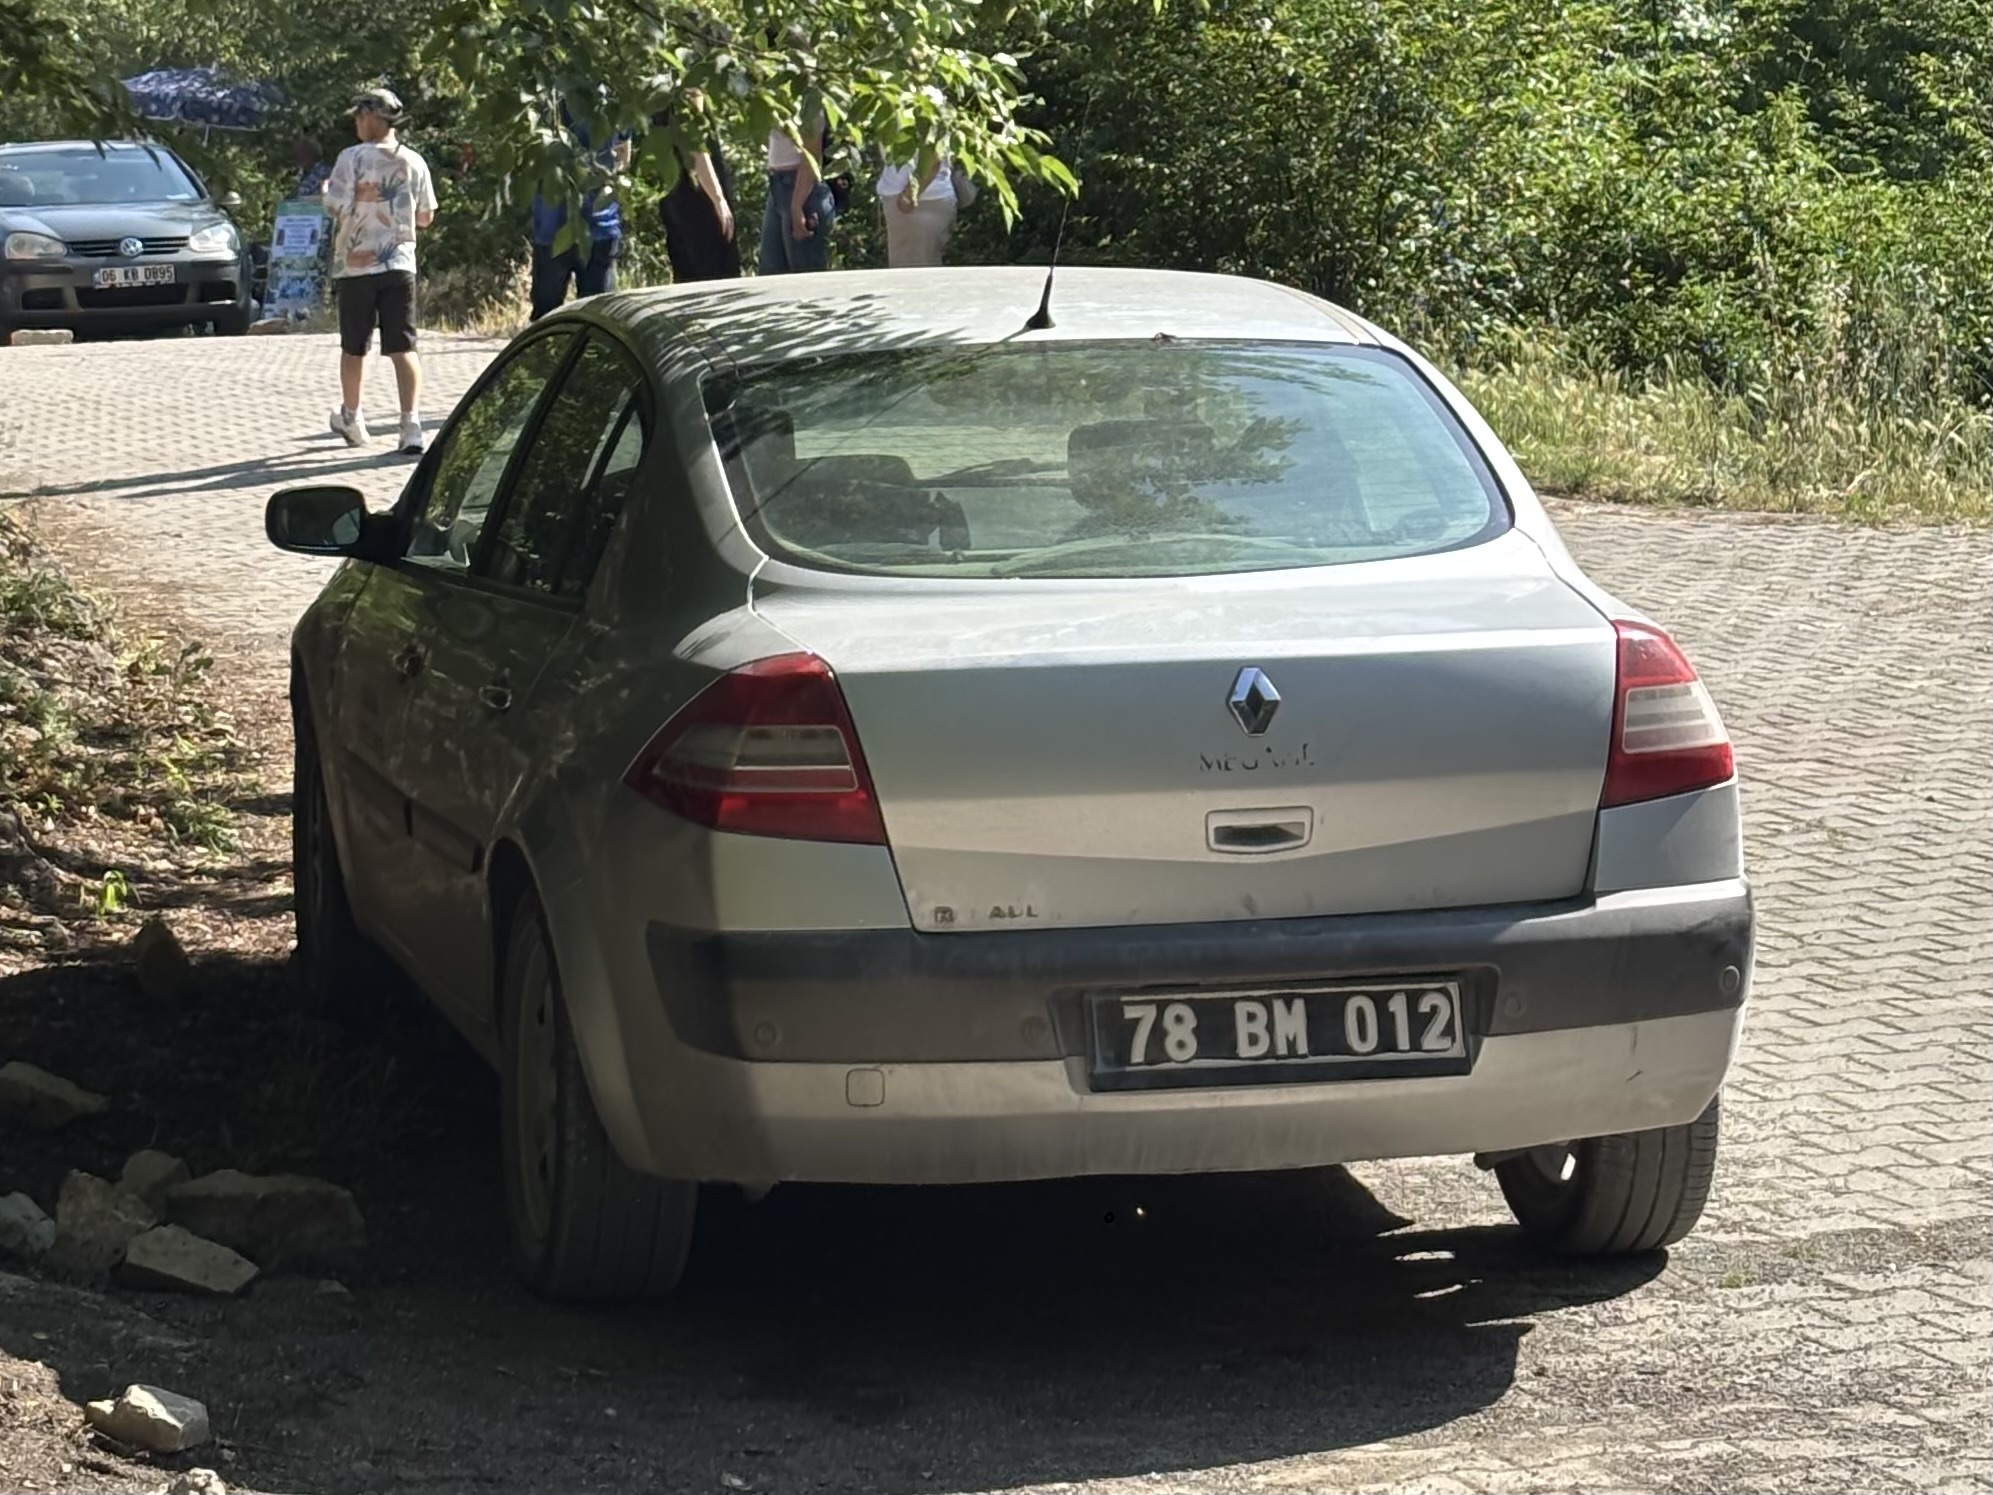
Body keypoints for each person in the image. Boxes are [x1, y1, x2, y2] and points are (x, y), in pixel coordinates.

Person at [323, 86, 437, 456]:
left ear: (373, 118)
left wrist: (327, 192)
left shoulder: (351, 158)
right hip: (398, 264)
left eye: (360, 116)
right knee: (404, 345)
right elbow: (425, 217)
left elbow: (337, 205)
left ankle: (352, 417)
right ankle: (411, 424)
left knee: (354, 347)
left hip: (355, 265)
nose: (357, 123)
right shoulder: (414, 161)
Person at [528, 101, 630, 319]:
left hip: (552, 225)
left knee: (546, 316)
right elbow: (624, 158)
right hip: (600, 222)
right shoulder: (614, 99)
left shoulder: (546, 101)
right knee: (599, 318)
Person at [654, 92, 738, 283]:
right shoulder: (690, 89)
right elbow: (695, 145)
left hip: (673, 191)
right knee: (716, 274)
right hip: (699, 195)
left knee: (686, 272)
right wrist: (718, 198)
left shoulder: (658, 95)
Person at [759, 111, 836, 274]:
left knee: (804, 273)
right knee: (770, 271)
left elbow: (811, 157)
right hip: (777, 185)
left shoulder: (809, 105)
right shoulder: (777, 104)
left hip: (802, 189)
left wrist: (796, 206)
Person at [875, 155, 971, 268]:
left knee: (914, 270)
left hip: (921, 201)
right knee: (910, 267)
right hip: (919, 199)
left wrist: (908, 196)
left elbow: (934, 156)